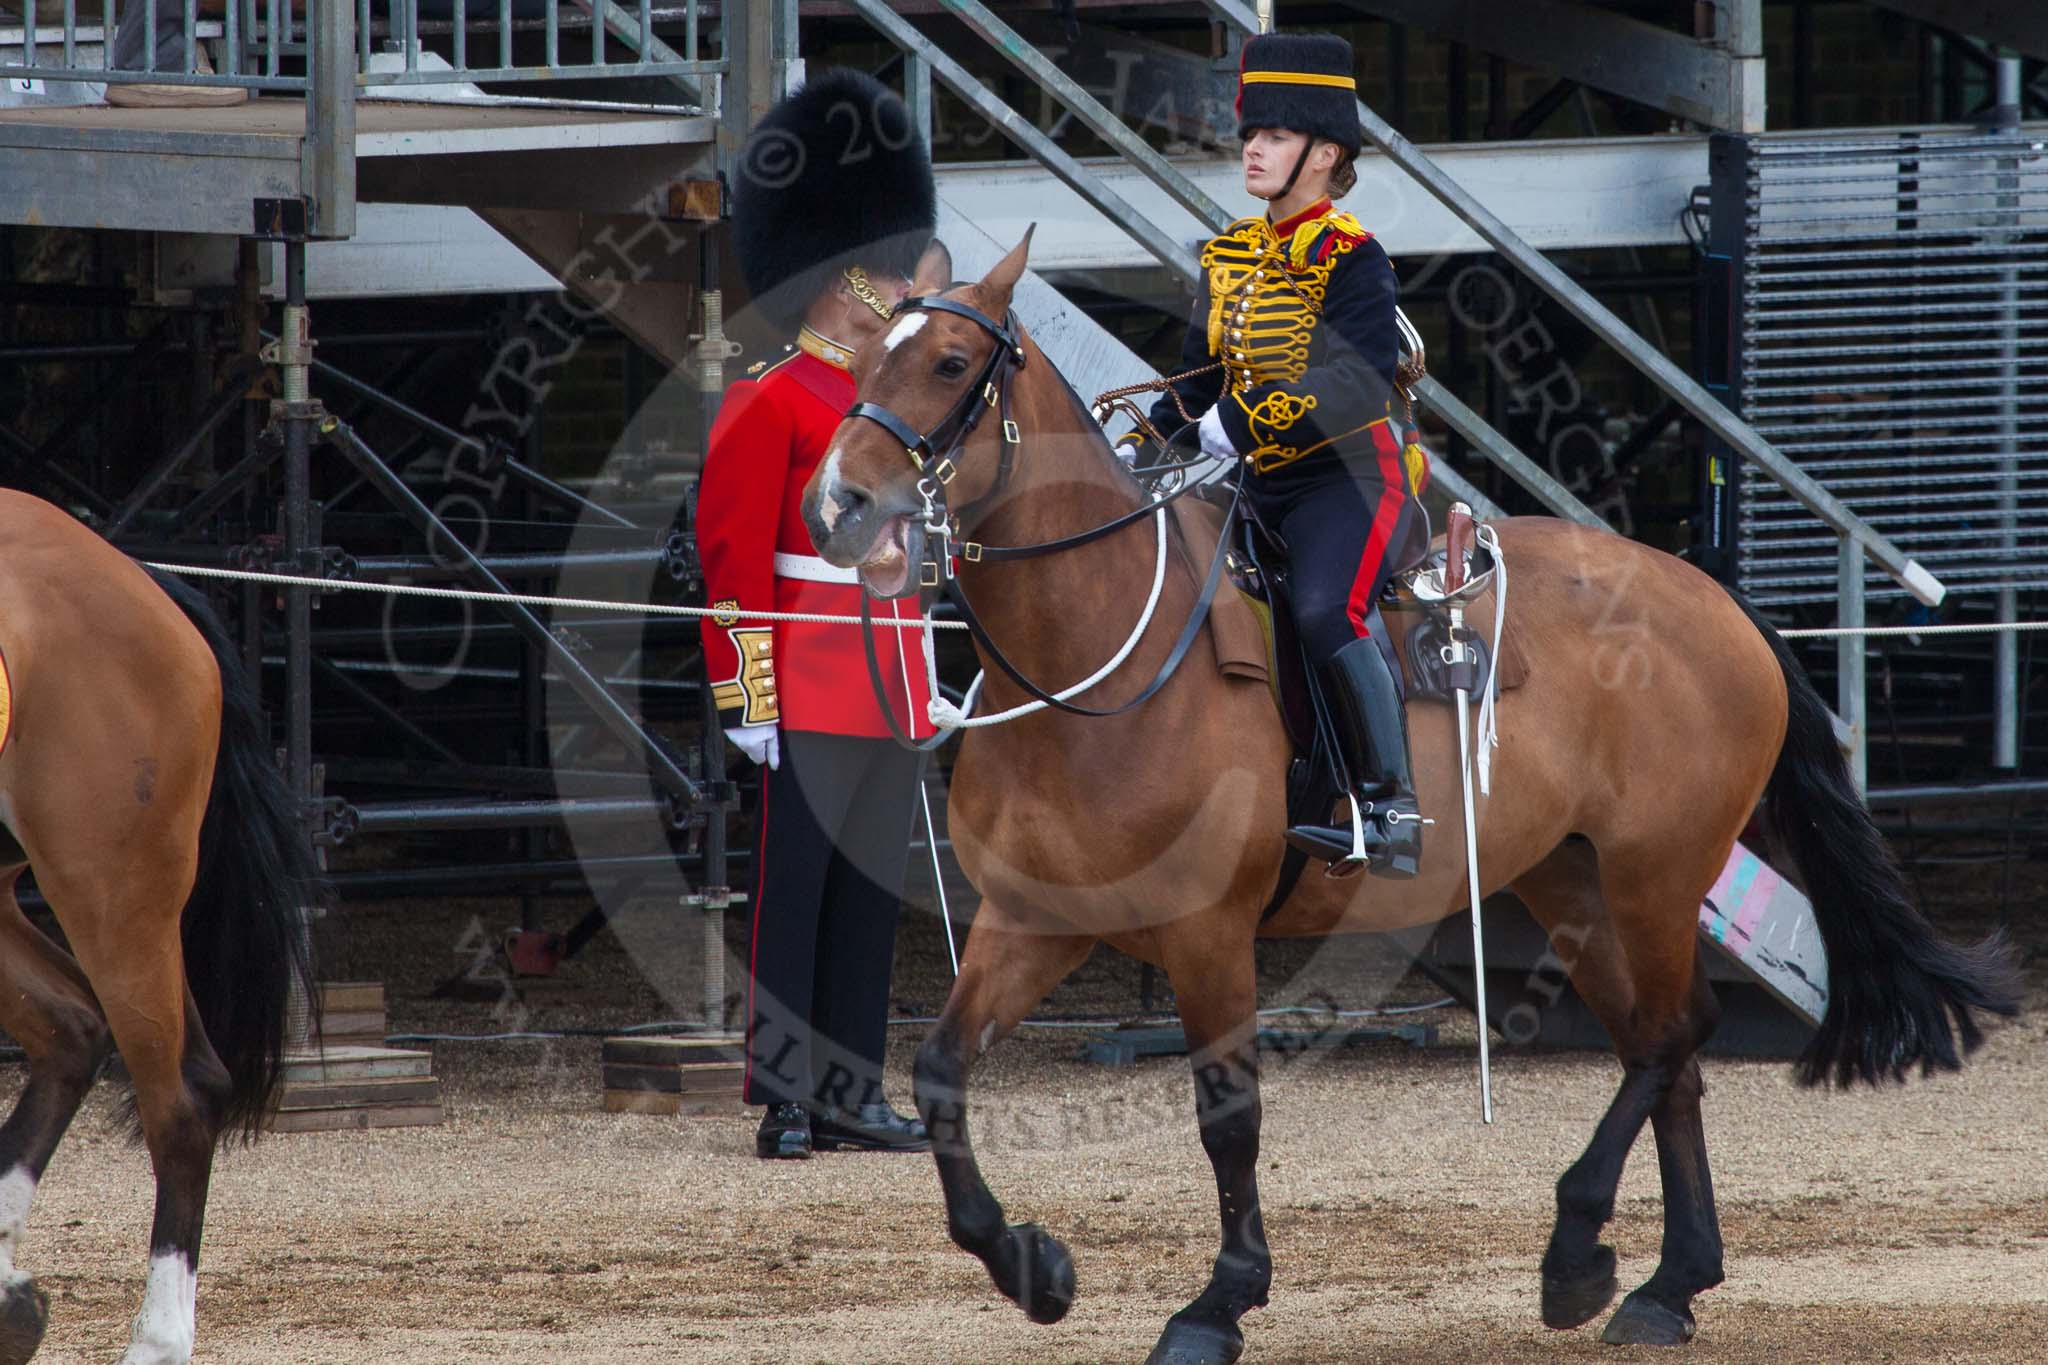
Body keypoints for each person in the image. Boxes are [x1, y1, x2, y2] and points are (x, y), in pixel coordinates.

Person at [698, 68, 940, 1159]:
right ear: (839, 282)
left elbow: (914, 552)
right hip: (801, 673)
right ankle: (788, 1092)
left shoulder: (890, 410)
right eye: (881, 274)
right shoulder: (770, 400)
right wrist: (744, 692)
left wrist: (925, 669)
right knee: (793, 895)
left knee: (867, 894)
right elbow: (732, 560)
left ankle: (852, 1087)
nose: (896, 287)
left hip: (887, 675)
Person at [1123, 32, 1426, 879]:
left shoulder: (1353, 259)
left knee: (1329, 611)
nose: (1253, 147)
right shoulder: (1230, 256)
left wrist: (1242, 426)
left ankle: (1390, 806)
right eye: (1254, 133)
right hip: (1261, 487)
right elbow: (1196, 380)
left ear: (1326, 154)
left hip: (1349, 478)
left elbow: (1358, 386)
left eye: (1278, 137)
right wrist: (1142, 448)